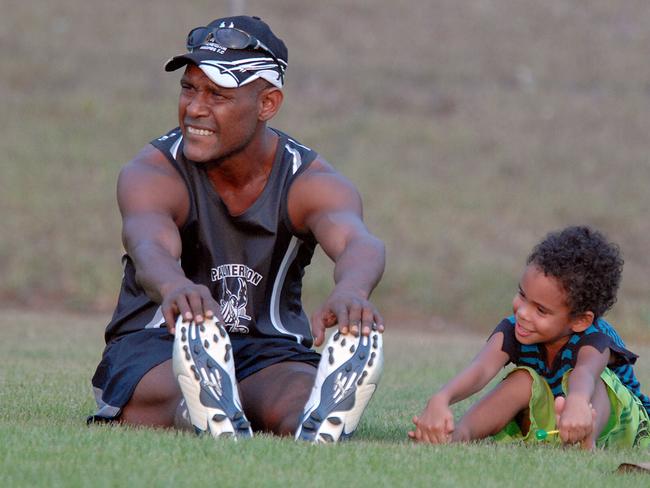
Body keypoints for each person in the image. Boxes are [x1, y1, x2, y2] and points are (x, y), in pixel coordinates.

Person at [89, 15, 385, 443]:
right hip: (163, 338)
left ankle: (311, 416)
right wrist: (174, 287)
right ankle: (202, 410)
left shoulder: (309, 181)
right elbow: (147, 243)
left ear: (267, 104)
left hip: (266, 349)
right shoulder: (152, 172)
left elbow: (359, 241)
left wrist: (353, 289)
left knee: (297, 402)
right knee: (176, 392)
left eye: (217, 95)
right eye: (188, 88)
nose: (194, 108)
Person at [409, 225, 650, 449]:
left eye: (541, 310)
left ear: (580, 320)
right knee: (523, 378)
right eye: (522, 296)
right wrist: (441, 399)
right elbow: (481, 369)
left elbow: (585, 373)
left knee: (595, 380)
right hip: (559, 421)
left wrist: (577, 403)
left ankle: (586, 440)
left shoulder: (595, 338)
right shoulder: (513, 330)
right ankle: (457, 435)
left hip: (625, 426)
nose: (523, 313)